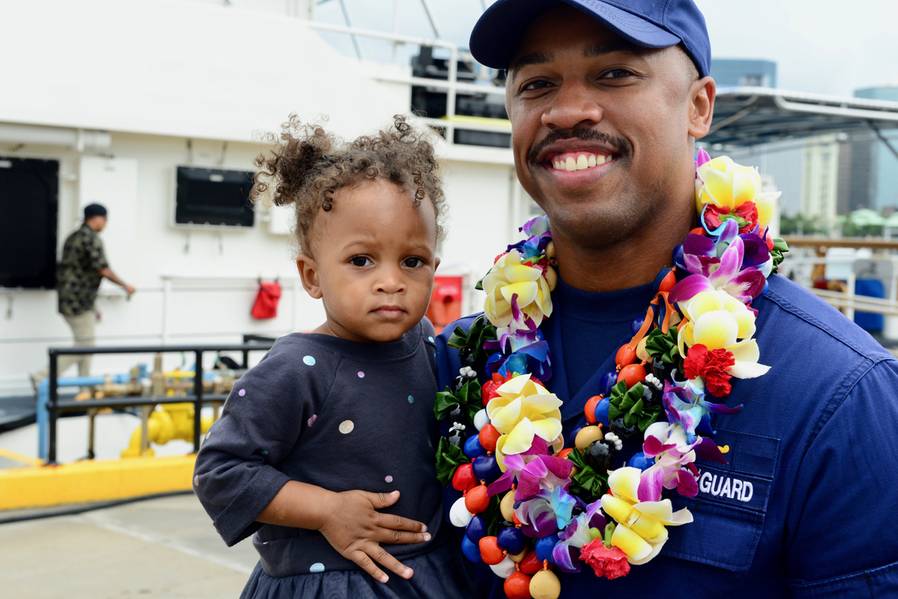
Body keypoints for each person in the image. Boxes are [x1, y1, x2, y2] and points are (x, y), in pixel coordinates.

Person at [435, 1, 898, 597]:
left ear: (699, 106)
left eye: (615, 74)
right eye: (537, 83)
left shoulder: (840, 395)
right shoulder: (455, 364)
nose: (568, 109)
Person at [193, 116, 471, 598]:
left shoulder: (428, 343)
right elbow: (221, 471)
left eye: (413, 261)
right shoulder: (298, 368)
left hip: (426, 577)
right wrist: (326, 510)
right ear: (311, 275)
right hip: (332, 586)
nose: (391, 280)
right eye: (361, 260)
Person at [55, 202, 135, 377]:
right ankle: (43, 377)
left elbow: (79, 272)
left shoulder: (74, 236)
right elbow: (102, 269)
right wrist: (125, 286)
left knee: (85, 346)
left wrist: (94, 307)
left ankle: (84, 388)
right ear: (97, 219)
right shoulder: (90, 238)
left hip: (74, 299)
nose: (105, 224)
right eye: (105, 220)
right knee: (85, 346)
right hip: (78, 302)